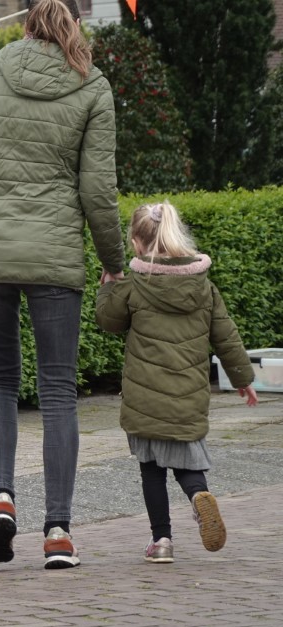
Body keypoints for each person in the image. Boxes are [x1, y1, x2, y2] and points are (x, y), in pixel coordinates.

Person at [0, 0, 126, 569]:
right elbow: (98, 190)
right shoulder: (94, 86)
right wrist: (112, 259)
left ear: (25, 20)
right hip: (56, 256)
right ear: (77, 23)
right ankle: (58, 532)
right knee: (59, 392)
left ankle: (1, 498)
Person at [96, 201, 258, 563]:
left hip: (144, 398)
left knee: (150, 470)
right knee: (187, 465)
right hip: (187, 396)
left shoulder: (135, 284)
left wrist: (109, 286)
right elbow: (226, 336)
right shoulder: (204, 286)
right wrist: (243, 379)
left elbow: (109, 321)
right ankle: (199, 497)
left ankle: (162, 541)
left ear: (137, 242)